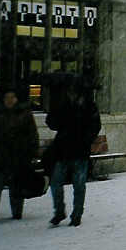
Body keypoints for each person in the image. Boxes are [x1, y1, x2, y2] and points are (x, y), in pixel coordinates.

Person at [46, 78, 101, 227]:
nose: (71, 94)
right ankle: (59, 211)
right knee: (56, 183)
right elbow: (52, 123)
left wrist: (86, 139)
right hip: (63, 150)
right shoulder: (64, 105)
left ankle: (76, 214)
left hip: (79, 150)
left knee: (79, 184)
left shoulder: (89, 107)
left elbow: (95, 126)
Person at [0, 88, 39, 222]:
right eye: (7, 98)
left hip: (18, 156)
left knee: (16, 185)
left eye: (12, 97)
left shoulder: (24, 114)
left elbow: (32, 135)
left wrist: (31, 152)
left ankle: (16, 211)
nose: (9, 100)